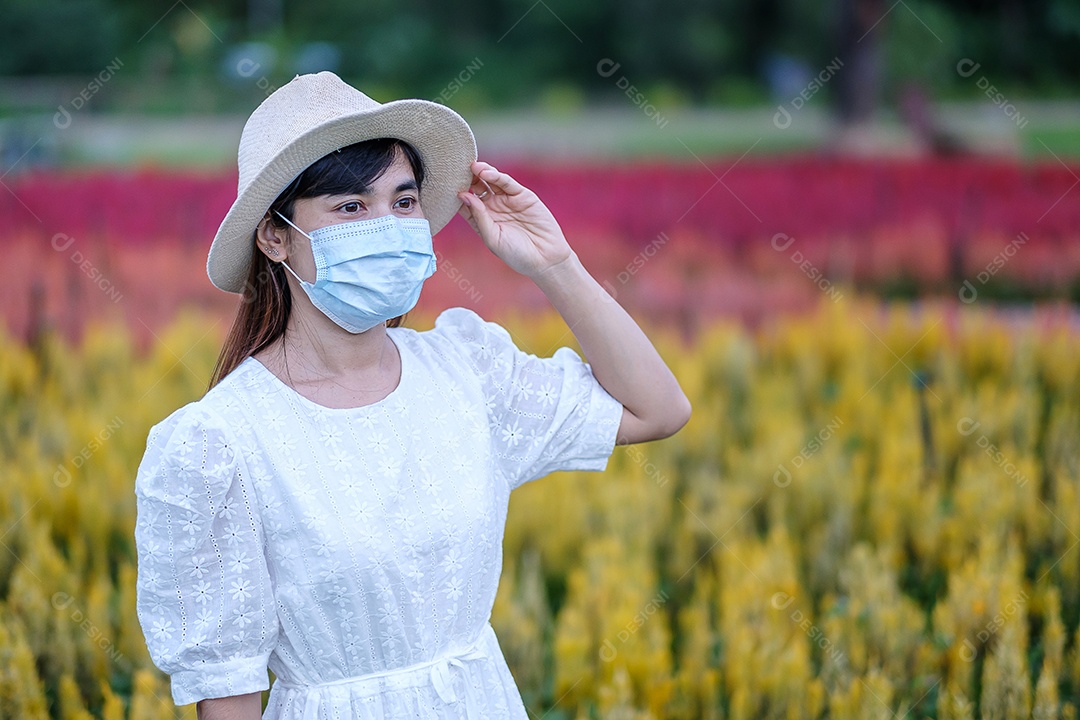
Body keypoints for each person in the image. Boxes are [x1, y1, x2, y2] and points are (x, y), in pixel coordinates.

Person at [133, 71, 690, 720]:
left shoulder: (467, 370)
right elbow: (228, 694)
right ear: (275, 236)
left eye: (403, 203)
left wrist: (554, 265)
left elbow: (658, 409)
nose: (387, 226)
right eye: (350, 208)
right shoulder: (217, 444)